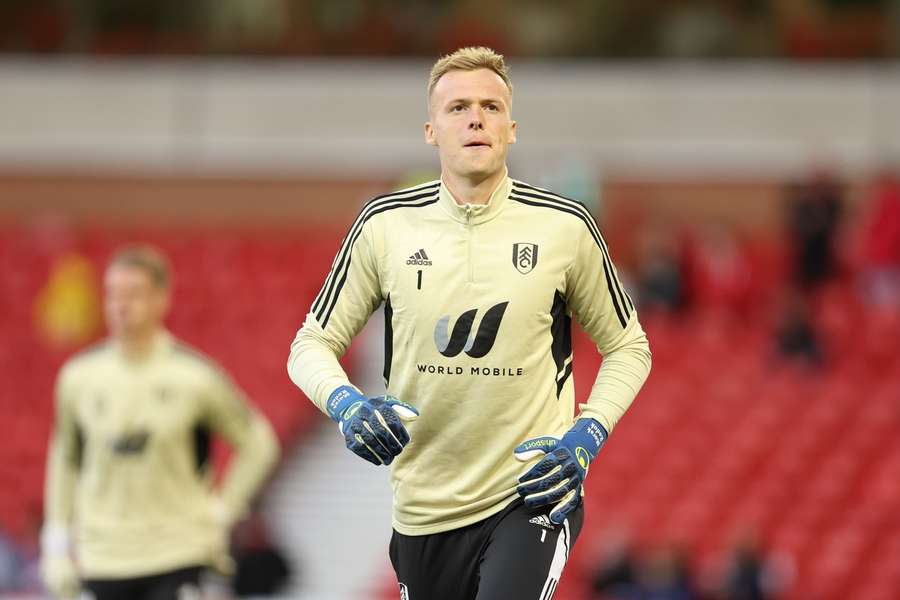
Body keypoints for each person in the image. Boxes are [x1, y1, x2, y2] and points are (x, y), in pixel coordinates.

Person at [288, 46, 651, 599]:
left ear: (511, 128)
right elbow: (310, 344)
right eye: (458, 107)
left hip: (529, 496)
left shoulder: (565, 227)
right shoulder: (383, 226)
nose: (476, 117)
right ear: (431, 130)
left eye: (490, 106)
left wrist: (586, 433)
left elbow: (629, 346)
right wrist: (347, 405)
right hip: (422, 510)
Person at [42, 245, 280, 600]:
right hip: (102, 557)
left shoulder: (195, 377)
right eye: (113, 295)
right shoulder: (78, 378)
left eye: (134, 294)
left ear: (161, 299)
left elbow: (258, 442)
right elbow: (65, 459)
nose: (121, 305)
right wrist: (56, 544)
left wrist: (221, 512)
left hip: (177, 554)